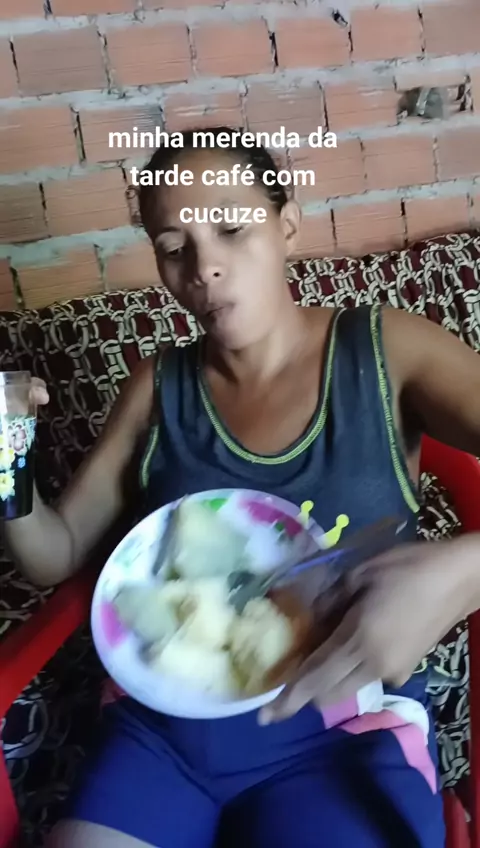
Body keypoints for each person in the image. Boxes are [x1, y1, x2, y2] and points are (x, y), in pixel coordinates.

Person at [6, 127, 480, 848]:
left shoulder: (386, 349)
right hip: (164, 739)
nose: (205, 267)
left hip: (342, 726)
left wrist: (466, 569)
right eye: (174, 248)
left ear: (287, 225)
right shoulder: (157, 387)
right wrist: (6, 458)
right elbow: (55, 553)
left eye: (231, 228)